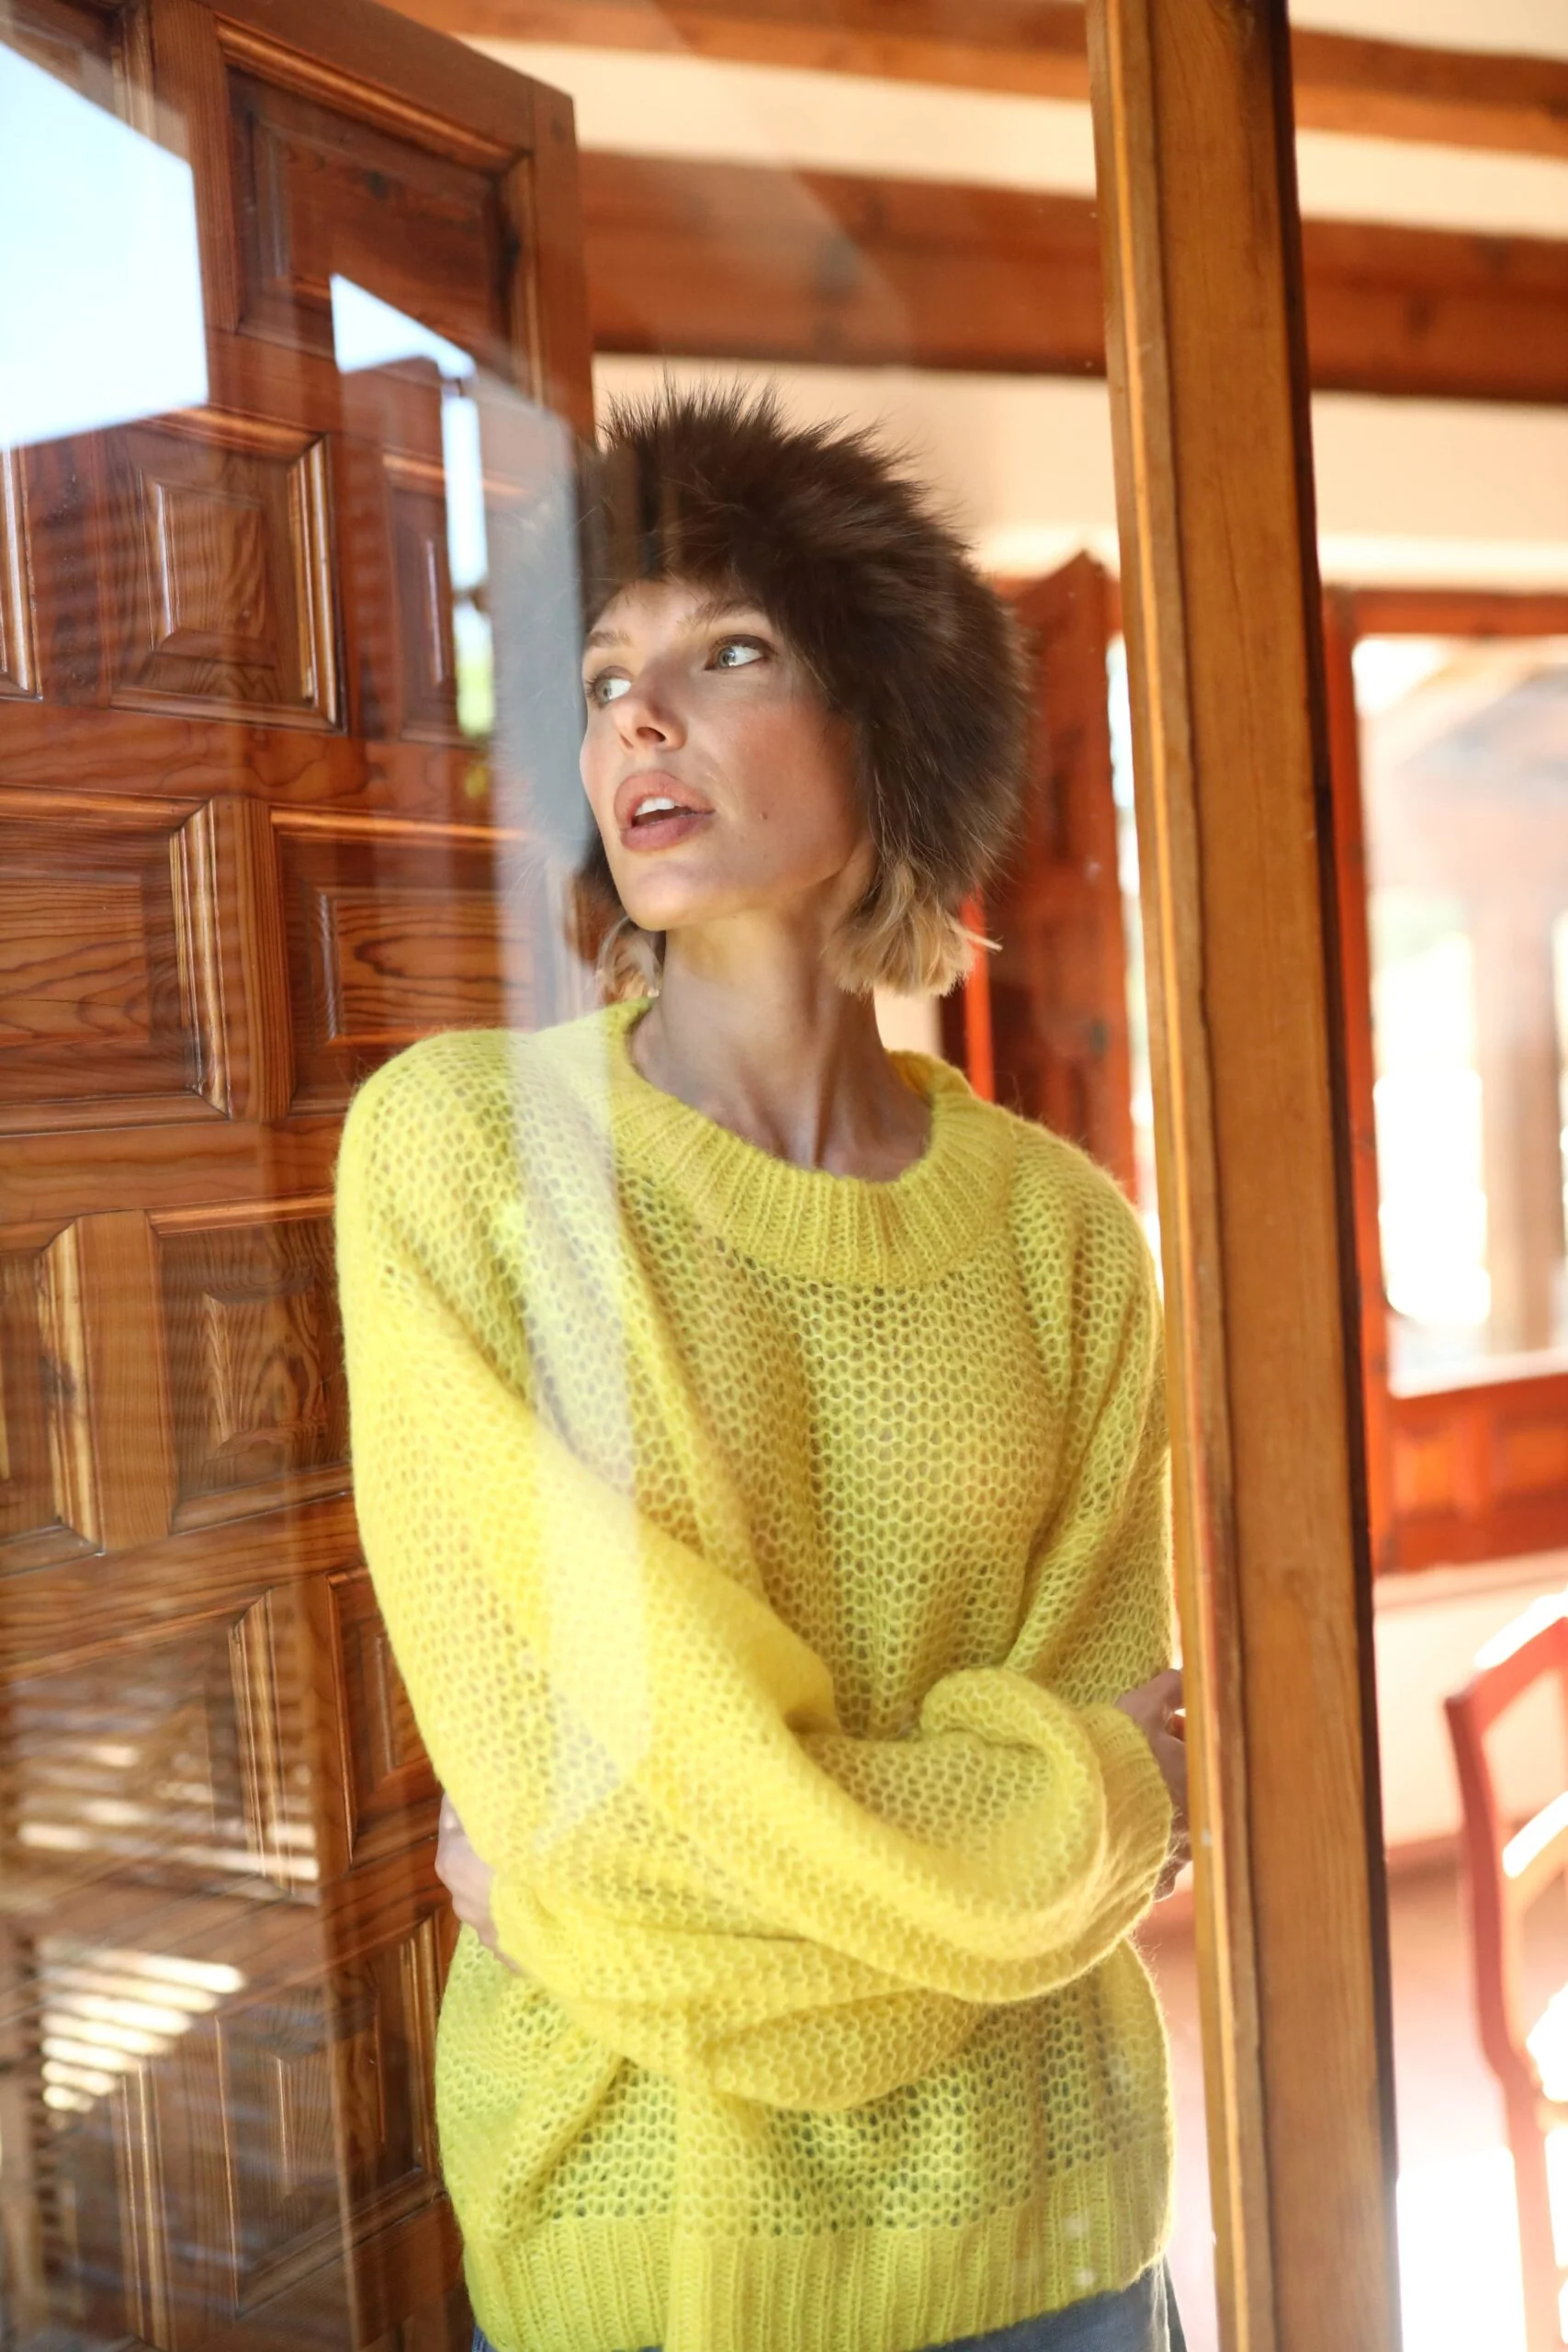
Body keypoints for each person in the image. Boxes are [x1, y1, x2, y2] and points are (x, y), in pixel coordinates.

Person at [335, 390, 1190, 2352]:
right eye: (603, 676)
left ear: (886, 731)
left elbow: (1107, 1789)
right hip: (643, 2237)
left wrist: (647, 1876)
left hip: (1050, 2230)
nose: (640, 715)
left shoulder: (1064, 1237)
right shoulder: (465, 1156)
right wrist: (1030, 1832)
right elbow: (614, 1834)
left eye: (726, 652)